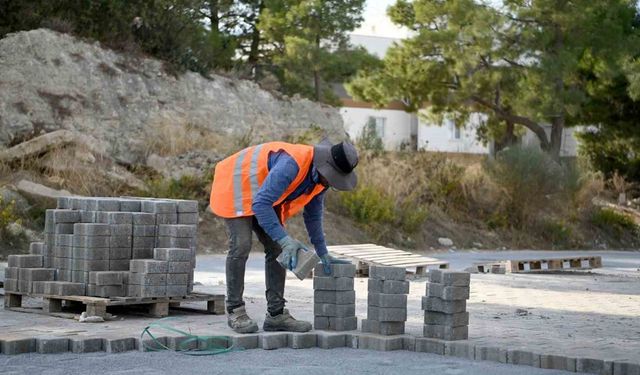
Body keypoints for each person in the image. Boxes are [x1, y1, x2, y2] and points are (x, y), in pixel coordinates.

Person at [209, 139, 359, 334]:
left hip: (264, 194)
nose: (331, 182)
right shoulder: (291, 164)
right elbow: (261, 204)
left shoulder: (321, 181)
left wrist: (323, 252)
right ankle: (235, 310)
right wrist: (285, 239)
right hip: (236, 185)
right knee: (241, 244)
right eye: (332, 177)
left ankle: (276, 315)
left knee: (277, 249)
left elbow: (313, 216)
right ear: (325, 166)